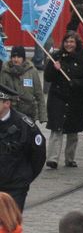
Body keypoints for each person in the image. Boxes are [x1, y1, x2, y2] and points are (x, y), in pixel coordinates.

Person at [44, 33, 83, 169]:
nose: (69, 44)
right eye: (67, 42)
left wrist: (77, 83)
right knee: (56, 129)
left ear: (76, 44)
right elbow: (47, 78)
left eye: (72, 42)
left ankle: (70, 158)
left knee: (72, 131)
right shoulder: (56, 57)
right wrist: (53, 67)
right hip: (58, 98)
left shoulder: (82, 59)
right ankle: (52, 158)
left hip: (75, 99)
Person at [0, 83, 46, 211]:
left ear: (7, 104)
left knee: (10, 226)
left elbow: (38, 155)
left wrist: (24, 177)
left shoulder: (25, 125)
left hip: (15, 187)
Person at [0, 47, 45, 124]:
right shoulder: (5, 71)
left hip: (28, 112)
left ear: (23, 58)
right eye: (14, 57)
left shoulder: (32, 71)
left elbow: (39, 94)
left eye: (19, 57)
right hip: (10, 112)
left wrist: (42, 116)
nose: (16, 59)